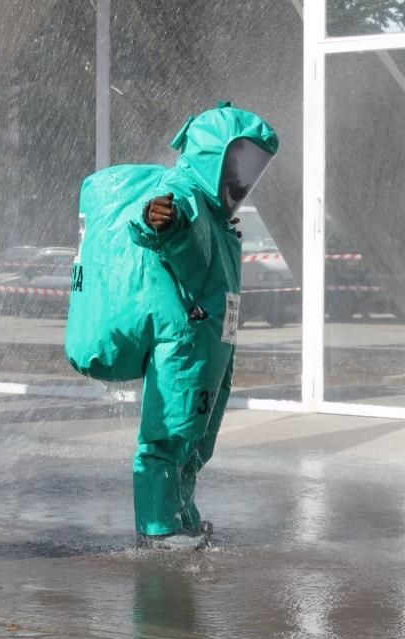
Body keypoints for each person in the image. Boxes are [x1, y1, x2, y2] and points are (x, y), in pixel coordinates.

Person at [65, 102, 278, 550]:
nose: (244, 177)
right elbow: (156, 221)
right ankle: (159, 529)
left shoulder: (218, 215)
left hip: (211, 342)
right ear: (211, 155)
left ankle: (183, 514)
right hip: (184, 340)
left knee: (196, 438)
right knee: (168, 435)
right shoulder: (185, 193)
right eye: (238, 162)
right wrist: (157, 219)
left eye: (253, 165)